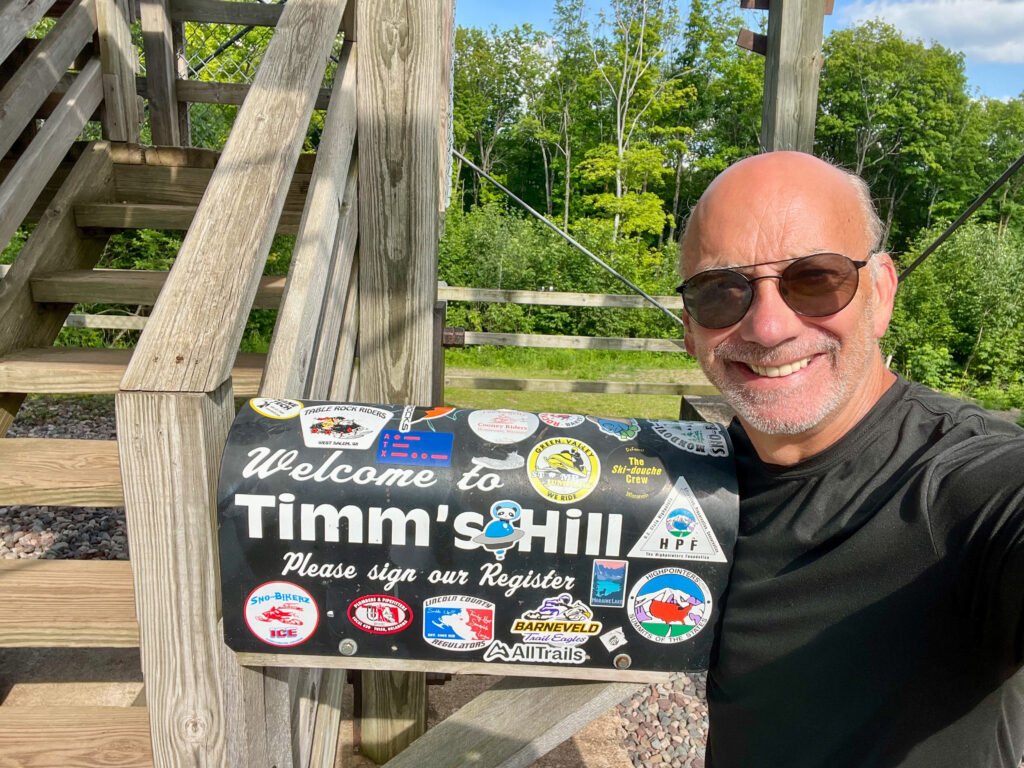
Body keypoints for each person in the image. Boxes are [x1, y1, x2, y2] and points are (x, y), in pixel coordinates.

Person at [677, 151, 1024, 767]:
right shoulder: (691, 485)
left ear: (882, 293)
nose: (768, 327)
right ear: (689, 328)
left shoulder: (959, 481)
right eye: (721, 291)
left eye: (815, 278)